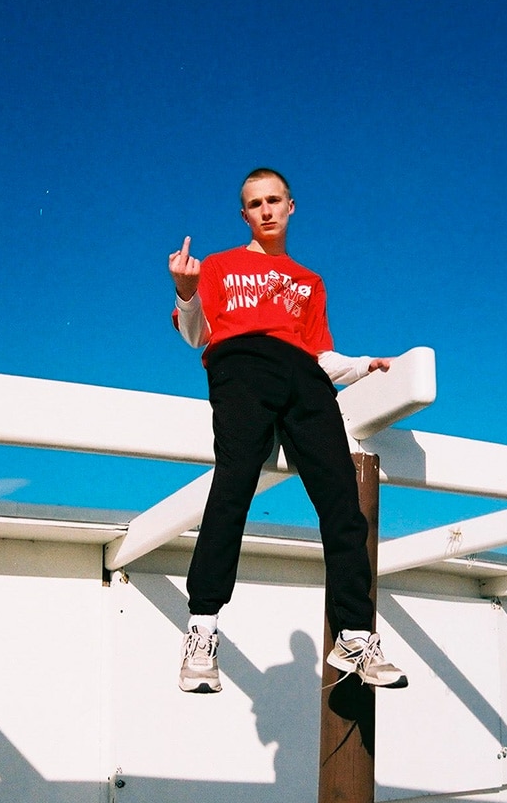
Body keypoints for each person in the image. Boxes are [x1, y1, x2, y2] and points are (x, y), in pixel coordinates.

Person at [169, 167, 407, 694]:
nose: (266, 210)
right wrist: (186, 291)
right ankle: (202, 629)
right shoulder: (220, 266)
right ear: (244, 215)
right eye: (255, 204)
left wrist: (365, 365)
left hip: (305, 378)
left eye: (274, 200)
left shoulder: (310, 281)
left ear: (291, 206)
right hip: (241, 366)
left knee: (342, 500)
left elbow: (321, 355)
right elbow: (196, 335)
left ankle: (354, 635)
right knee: (234, 484)